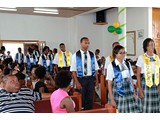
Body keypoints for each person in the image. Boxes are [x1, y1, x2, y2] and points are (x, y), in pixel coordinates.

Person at [70, 37, 99, 110]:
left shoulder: (92, 55)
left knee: (90, 97)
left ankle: (89, 111)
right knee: (82, 97)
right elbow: (73, 70)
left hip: (90, 78)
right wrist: (77, 82)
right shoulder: (75, 55)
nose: (87, 45)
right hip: (81, 79)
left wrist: (97, 80)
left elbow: (96, 68)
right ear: (81, 43)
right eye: (85, 43)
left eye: (88, 43)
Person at [107, 45, 137, 113]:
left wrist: (134, 93)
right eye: (120, 53)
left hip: (128, 90)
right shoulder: (111, 65)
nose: (123, 54)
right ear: (115, 54)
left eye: (124, 52)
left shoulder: (127, 63)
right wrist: (112, 99)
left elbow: (131, 78)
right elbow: (109, 83)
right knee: (120, 110)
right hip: (118, 90)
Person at [136, 38, 160, 113]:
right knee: (146, 107)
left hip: (155, 84)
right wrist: (140, 89)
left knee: (155, 106)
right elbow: (138, 74)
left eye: (153, 44)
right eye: (149, 45)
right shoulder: (141, 57)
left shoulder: (156, 57)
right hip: (145, 83)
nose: (152, 47)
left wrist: (159, 86)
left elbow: (159, 72)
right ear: (146, 47)